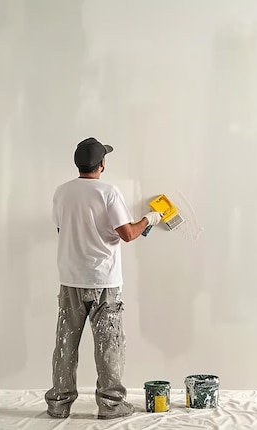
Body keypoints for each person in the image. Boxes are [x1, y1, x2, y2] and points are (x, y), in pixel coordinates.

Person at [45, 137, 162, 420]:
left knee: (65, 342)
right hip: (103, 282)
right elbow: (128, 234)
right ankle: (111, 405)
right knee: (109, 344)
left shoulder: (62, 192)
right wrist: (150, 218)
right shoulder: (108, 192)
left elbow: (64, 231)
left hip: (71, 279)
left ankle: (59, 405)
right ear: (102, 164)